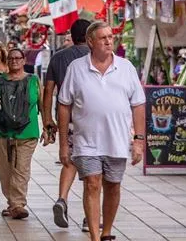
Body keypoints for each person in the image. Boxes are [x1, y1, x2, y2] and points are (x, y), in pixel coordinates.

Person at [58, 21, 145, 241]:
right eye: (103, 37)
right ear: (90, 42)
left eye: (110, 36)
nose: (108, 41)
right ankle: (95, 236)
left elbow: (138, 105)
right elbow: (64, 105)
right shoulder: (76, 68)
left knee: (113, 186)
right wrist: (62, 144)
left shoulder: (126, 68)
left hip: (116, 140)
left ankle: (107, 231)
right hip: (86, 141)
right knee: (92, 183)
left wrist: (139, 140)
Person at [43, 18, 91, 230]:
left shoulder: (58, 57)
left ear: (71, 35)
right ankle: (90, 218)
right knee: (92, 168)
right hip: (91, 119)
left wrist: (47, 119)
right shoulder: (95, 57)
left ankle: (62, 199)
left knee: (69, 163)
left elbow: (48, 90)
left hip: (66, 118)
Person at [0, 46, 45, 219]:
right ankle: (12, 202)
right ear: (7, 60)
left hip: (27, 132)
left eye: (18, 58)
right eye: (11, 58)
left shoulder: (33, 80)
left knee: (21, 169)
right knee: (5, 170)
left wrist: (49, 125)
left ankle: (18, 204)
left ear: (23, 60)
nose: (14, 61)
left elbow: (42, 104)